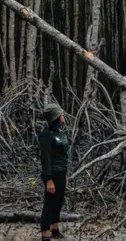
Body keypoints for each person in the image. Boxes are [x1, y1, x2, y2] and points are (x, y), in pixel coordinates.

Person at [39, 103, 70, 240]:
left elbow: (63, 155)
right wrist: (49, 178)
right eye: (61, 114)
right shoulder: (46, 134)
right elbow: (45, 157)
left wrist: (65, 174)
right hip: (52, 174)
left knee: (59, 201)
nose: (63, 116)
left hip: (61, 173)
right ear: (56, 116)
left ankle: (55, 229)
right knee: (49, 203)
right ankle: (45, 234)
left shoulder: (60, 132)